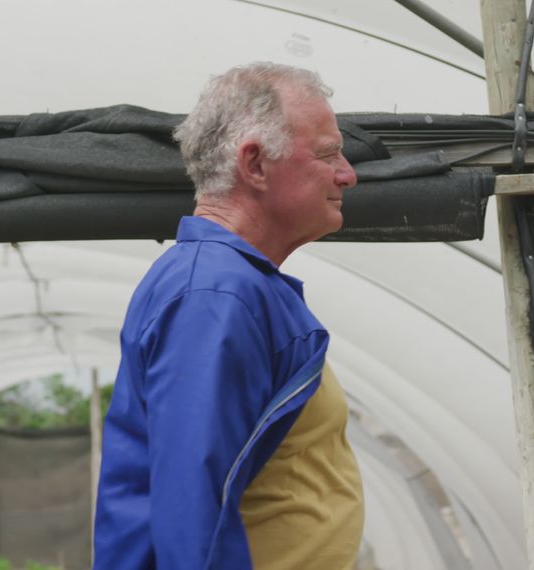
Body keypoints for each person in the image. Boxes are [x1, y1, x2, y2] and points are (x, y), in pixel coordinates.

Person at [94, 63, 364, 570]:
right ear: (255, 165)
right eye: (328, 154)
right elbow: (192, 511)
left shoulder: (239, 286)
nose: (348, 173)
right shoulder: (214, 294)